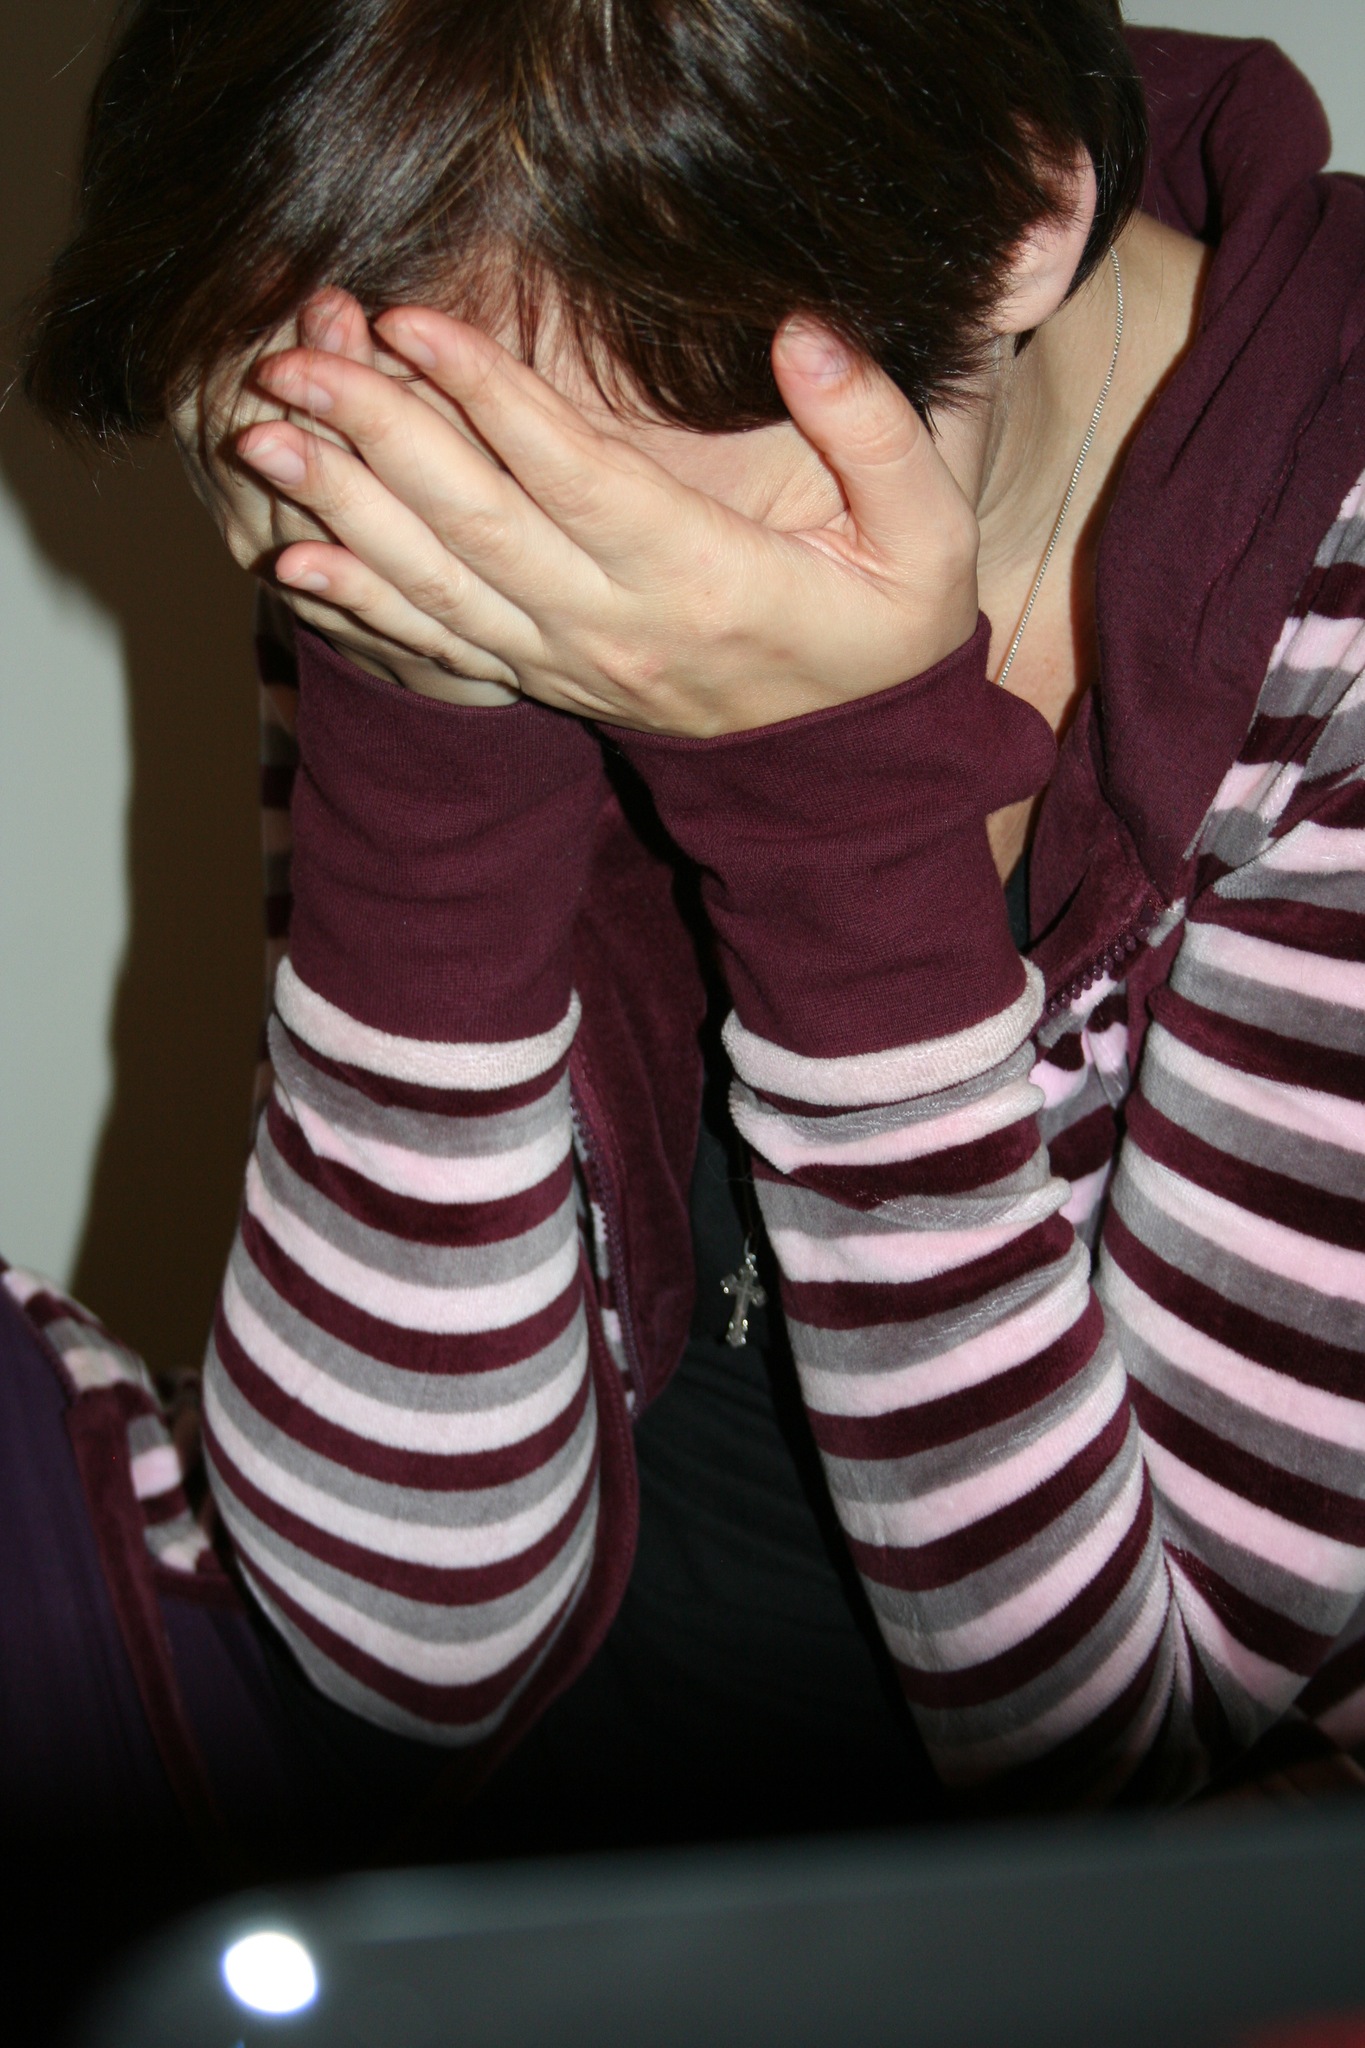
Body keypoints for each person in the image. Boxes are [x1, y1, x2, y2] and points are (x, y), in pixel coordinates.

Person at [14, 0, 1365, 1873]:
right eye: (376, 468)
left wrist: (843, 821)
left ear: (1015, 228)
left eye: (549, 488)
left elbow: (1121, 1761)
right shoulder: (418, 429)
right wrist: (424, 721)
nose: (466, 547)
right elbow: (392, 1656)